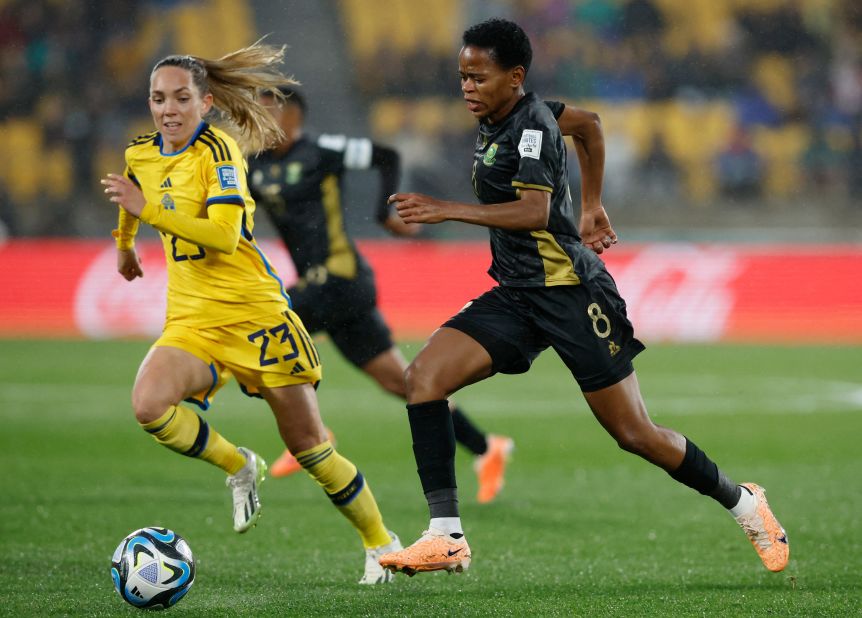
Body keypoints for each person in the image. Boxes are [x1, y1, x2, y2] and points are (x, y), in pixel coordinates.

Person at [379, 18, 789, 576]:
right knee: (423, 378)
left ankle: (744, 503)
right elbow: (591, 126)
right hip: (520, 293)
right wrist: (593, 203)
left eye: (478, 77)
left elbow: (535, 212)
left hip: (572, 294)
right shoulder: (522, 113)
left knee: (633, 433)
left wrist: (446, 209)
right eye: (462, 77)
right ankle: (445, 535)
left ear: (514, 76)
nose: (467, 88)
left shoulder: (531, 127)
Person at [100, 42, 401, 585]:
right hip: (193, 319)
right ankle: (240, 466)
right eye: (157, 98)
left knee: (311, 450)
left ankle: (381, 543)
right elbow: (131, 195)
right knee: (149, 406)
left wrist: (149, 213)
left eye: (180, 98)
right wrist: (125, 246)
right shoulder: (141, 153)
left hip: (256, 317)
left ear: (206, 102)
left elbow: (220, 236)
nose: (167, 109)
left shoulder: (221, 155)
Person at [247, 87, 515, 504]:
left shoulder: (322, 150)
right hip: (327, 292)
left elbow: (385, 156)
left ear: (293, 116)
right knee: (404, 383)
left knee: (264, 330)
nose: (258, 123)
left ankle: (310, 436)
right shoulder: (255, 168)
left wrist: (381, 215)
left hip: (341, 278)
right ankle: (487, 448)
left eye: (267, 113)